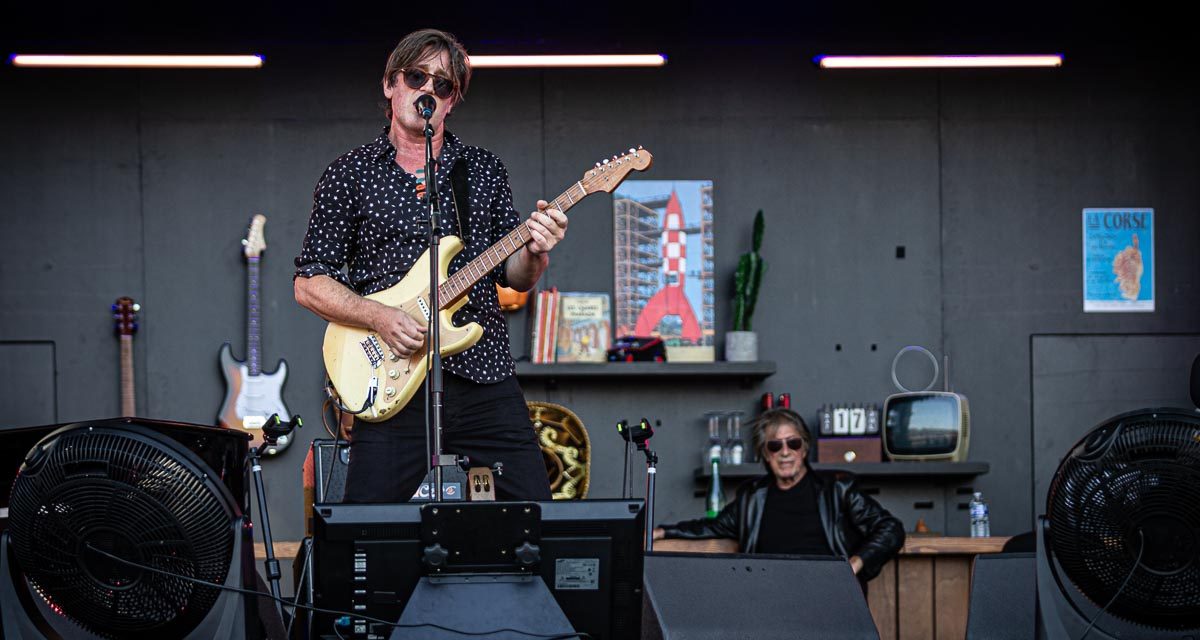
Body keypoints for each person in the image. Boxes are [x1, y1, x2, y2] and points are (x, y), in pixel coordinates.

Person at [293, 28, 566, 502]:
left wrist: (536, 251)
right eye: (417, 77)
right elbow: (309, 282)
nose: (428, 91)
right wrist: (380, 317)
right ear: (390, 84)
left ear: (452, 100)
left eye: (442, 85)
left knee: (536, 515)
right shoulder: (349, 174)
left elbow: (514, 275)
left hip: (482, 370)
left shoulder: (482, 169)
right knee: (368, 532)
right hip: (394, 374)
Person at [654, 408, 905, 583]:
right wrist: (663, 532)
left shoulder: (838, 489)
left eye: (793, 443)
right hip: (771, 594)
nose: (785, 452)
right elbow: (711, 526)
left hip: (829, 592)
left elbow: (890, 528)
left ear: (804, 448)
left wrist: (853, 566)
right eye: (775, 445)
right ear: (765, 454)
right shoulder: (753, 497)